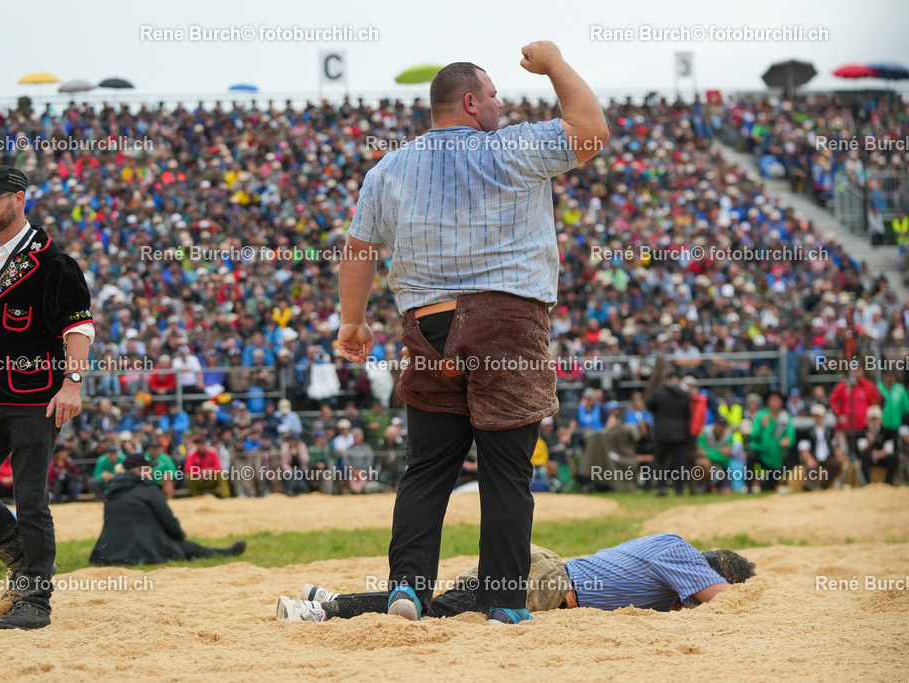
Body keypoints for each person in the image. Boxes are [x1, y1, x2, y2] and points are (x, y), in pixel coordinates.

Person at [337, 41, 608, 625]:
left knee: (426, 469)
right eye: (493, 94)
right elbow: (591, 131)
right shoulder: (512, 147)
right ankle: (504, 601)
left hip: (426, 326)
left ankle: (407, 588)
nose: (501, 104)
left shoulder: (388, 167)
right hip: (506, 324)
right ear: (469, 102)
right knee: (507, 472)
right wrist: (556, 64)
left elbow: (359, 249)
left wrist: (352, 321)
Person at [0, 165, 94, 630]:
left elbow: (78, 327)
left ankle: (35, 601)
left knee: (31, 500)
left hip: (35, 398)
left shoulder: (54, 261)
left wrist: (72, 383)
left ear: (19, 198)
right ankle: (20, 553)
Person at [276, 533, 755, 623]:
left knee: (446, 603)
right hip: (550, 584)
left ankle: (333, 597)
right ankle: (322, 610)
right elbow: (723, 601)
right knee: (438, 611)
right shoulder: (683, 554)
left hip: (546, 566)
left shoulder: (664, 547)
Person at [89, 450, 246, 565]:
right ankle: (223, 553)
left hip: (108, 552)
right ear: (139, 471)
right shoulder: (149, 490)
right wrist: (179, 537)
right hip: (143, 550)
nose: (151, 472)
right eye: (148, 469)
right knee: (184, 546)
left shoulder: (111, 491)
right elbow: (168, 521)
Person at [645, 373, 692, 496]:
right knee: (679, 463)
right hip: (681, 433)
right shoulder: (685, 394)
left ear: (666, 380)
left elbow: (649, 405)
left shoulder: (659, 392)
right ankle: (679, 490)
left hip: (662, 433)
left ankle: (662, 487)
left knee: (660, 461)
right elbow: (689, 412)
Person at [748, 390, 795, 492]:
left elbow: (791, 434)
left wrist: (788, 440)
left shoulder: (785, 417)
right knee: (751, 455)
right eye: (772, 400)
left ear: (781, 402)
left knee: (769, 487)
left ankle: (783, 482)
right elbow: (753, 435)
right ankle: (748, 487)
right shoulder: (761, 415)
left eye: (777, 400)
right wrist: (761, 426)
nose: (774, 402)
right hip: (761, 454)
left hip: (776, 458)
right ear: (768, 402)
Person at [795, 404, 844, 490]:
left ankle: (824, 485)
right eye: (816, 416)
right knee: (812, 469)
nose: (818, 419)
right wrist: (809, 459)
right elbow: (804, 448)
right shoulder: (807, 432)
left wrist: (839, 454)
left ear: (824, 417)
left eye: (820, 416)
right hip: (814, 457)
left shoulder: (830, 431)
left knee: (836, 465)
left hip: (827, 457)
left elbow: (834, 446)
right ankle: (810, 485)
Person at [183, 434, 230, 498]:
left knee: (221, 474)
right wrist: (200, 472)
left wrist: (211, 470)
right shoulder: (191, 454)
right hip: (199, 480)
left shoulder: (212, 452)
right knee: (188, 477)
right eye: (199, 444)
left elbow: (218, 467)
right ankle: (196, 497)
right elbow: (188, 469)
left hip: (211, 479)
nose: (201, 446)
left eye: (202, 444)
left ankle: (225, 496)